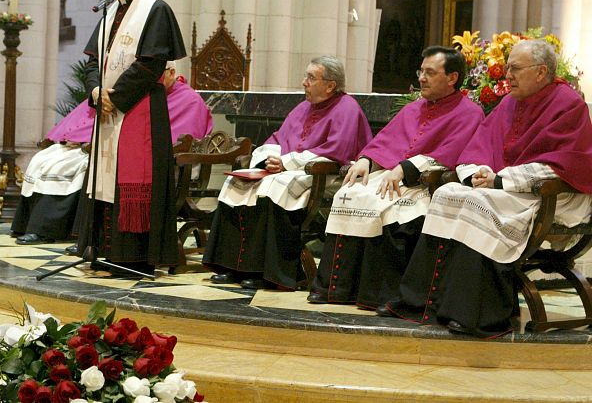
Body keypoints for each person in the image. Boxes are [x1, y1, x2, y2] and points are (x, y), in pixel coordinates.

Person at [380, 39, 592, 337]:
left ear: (542, 71)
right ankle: (422, 303)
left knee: (482, 205)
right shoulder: (509, 102)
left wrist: (501, 180)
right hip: (504, 187)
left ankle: (477, 314)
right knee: (447, 194)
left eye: (516, 68)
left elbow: (563, 163)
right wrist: (477, 174)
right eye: (507, 67)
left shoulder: (568, 104)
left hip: (548, 194)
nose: (508, 75)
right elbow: (479, 145)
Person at [307, 46, 484, 308]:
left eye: (430, 72)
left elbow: (452, 152)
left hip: (425, 183)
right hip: (391, 175)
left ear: (452, 78)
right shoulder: (414, 109)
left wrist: (405, 168)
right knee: (349, 194)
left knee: (393, 210)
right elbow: (386, 141)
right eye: (421, 71)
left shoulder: (469, 112)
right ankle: (335, 288)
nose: (422, 78)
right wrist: (366, 161)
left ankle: (379, 295)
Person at [202, 55, 373, 290]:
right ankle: (232, 267)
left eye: (311, 77)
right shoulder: (304, 107)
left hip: (323, 174)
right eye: (306, 76)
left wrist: (286, 163)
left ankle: (267, 272)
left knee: (272, 189)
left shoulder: (347, 108)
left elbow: (337, 150)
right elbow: (278, 138)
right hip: (291, 168)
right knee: (238, 184)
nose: (304, 82)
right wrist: (268, 161)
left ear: (331, 85)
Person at [74, 0, 186, 275]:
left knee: (132, 177)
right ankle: (103, 250)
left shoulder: (156, 10)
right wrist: (96, 91)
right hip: (110, 110)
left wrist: (115, 97)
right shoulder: (109, 13)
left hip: (140, 110)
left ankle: (133, 257)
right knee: (105, 178)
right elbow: (93, 61)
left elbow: (151, 64)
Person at [11, 62, 212, 245]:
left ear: (172, 73)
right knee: (46, 157)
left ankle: (51, 231)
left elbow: (179, 138)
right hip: (117, 149)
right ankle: (29, 225)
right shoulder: (147, 93)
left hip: (163, 164)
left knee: (84, 164)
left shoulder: (189, 100)